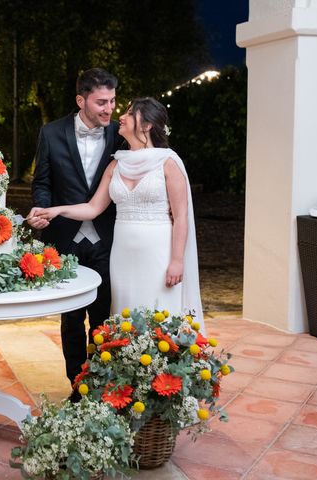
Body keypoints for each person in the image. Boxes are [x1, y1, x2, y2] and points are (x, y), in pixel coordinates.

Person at [30, 97, 204, 333]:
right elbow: (92, 208)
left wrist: (176, 260)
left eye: (131, 114)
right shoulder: (117, 165)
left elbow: (182, 217)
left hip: (158, 253)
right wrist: (57, 210)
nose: (120, 116)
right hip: (121, 256)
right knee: (125, 314)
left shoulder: (168, 163)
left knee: (159, 315)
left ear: (147, 125)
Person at [28, 68, 122, 399]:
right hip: (64, 240)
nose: (109, 109)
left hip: (107, 240)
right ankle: (78, 386)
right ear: (81, 100)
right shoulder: (51, 133)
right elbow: (42, 182)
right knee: (71, 320)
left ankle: (101, 384)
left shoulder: (120, 135)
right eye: (101, 102)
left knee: (102, 315)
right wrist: (42, 211)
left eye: (112, 100)